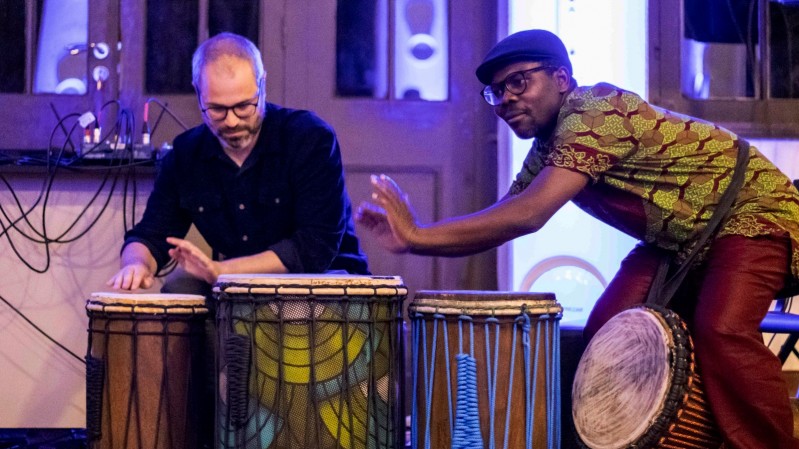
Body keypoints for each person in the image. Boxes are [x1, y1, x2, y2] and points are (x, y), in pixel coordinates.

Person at [356, 29, 799, 448]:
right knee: (607, 332)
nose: (505, 99)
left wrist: (418, 234)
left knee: (721, 328)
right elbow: (504, 218)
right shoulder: (547, 149)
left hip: (753, 211)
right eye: (496, 92)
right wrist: (413, 239)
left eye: (518, 82)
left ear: (562, 79)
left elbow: (528, 215)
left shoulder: (596, 109)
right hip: (682, 240)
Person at [108, 32, 369, 294]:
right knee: (180, 287)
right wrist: (137, 265)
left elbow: (314, 247)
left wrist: (222, 271)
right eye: (217, 110)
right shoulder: (185, 154)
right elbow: (150, 235)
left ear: (262, 85)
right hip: (241, 292)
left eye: (244, 106)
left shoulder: (309, 137)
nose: (232, 121)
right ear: (198, 93)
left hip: (327, 287)